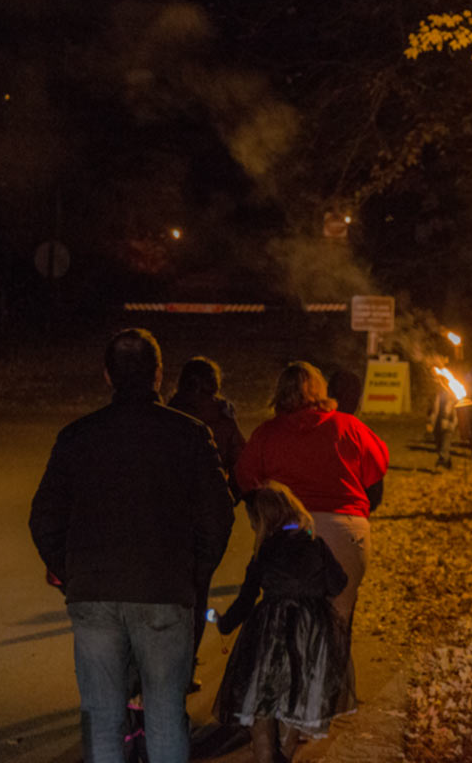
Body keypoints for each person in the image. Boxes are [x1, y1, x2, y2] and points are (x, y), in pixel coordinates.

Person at [29, 327, 235, 763]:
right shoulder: (190, 435)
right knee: (164, 711)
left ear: (107, 375)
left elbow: (44, 517)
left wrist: (69, 573)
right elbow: (219, 516)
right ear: (158, 375)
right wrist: (193, 573)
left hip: (94, 593)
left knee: (102, 715)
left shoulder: (77, 437)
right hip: (164, 590)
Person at [235, 361, 388, 630]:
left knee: (284, 621)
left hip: (288, 534)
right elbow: (377, 468)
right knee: (338, 624)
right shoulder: (349, 426)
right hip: (345, 530)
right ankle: (335, 668)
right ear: (322, 390)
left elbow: (245, 480)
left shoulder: (266, 434)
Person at [212, 482, 355, 763]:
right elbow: (338, 583)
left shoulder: (266, 550)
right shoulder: (315, 545)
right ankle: (284, 758)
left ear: (264, 519)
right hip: (310, 636)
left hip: (269, 634)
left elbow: (246, 598)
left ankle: (265, 758)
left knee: (261, 705)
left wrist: (224, 623)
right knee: (294, 703)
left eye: (254, 521)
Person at [167, 355, 247, 693]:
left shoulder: (167, 412)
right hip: (207, 522)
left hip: (169, 518)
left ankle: (163, 664)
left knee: (168, 593)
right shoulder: (222, 419)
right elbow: (242, 466)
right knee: (197, 593)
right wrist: (229, 499)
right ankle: (184, 666)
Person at [426, 355, 458, 470]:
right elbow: (432, 408)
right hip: (437, 422)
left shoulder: (452, 390)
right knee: (439, 444)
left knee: (445, 442)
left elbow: (455, 407)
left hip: (448, 421)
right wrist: (430, 422)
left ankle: (441, 461)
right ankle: (447, 460)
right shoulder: (436, 393)